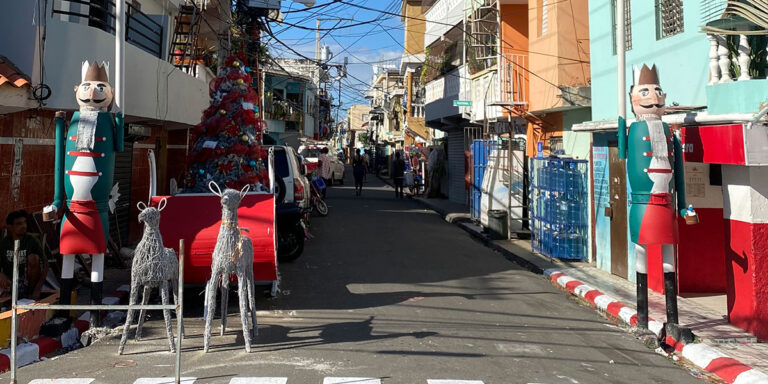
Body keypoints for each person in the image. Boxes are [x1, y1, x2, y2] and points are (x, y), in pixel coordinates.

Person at [0, 210, 48, 300]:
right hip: (10, 281)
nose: (24, 226)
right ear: (10, 227)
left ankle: (28, 295)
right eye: (19, 224)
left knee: (33, 258)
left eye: (25, 222)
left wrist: (37, 289)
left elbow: (46, 265)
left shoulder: (32, 240)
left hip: (26, 282)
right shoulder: (4, 243)